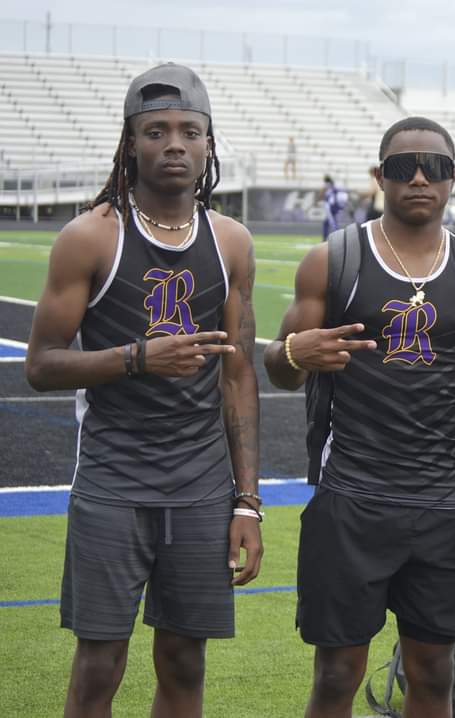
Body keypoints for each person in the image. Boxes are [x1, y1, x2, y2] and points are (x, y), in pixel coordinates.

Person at [24, 62, 263, 717]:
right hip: (113, 476)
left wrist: (248, 501)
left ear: (211, 145)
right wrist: (135, 359)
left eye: (191, 130)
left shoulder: (233, 243)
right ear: (130, 143)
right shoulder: (90, 236)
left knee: (186, 660)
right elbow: (41, 365)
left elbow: (238, 375)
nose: (175, 144)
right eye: (156, 131)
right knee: (99, 665)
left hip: (202, 484)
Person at [264, 116, 455, 718]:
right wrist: (298, 351)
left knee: (432, 674)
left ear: (454, 179)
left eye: (436, 168)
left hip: (442, 506)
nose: (420, 179)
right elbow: (278, 365)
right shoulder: (332, 260)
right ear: (379, 177)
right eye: (403, 167)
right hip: (351, 497)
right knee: (336, 676)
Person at [321, 174, 343, 241]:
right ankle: (325, 238)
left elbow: (325, 194)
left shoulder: (330, 187)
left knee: (333, 223)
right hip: (331, 207)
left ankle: (338, 238)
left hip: (330, 207)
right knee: (327, 223)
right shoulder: (332, 187)